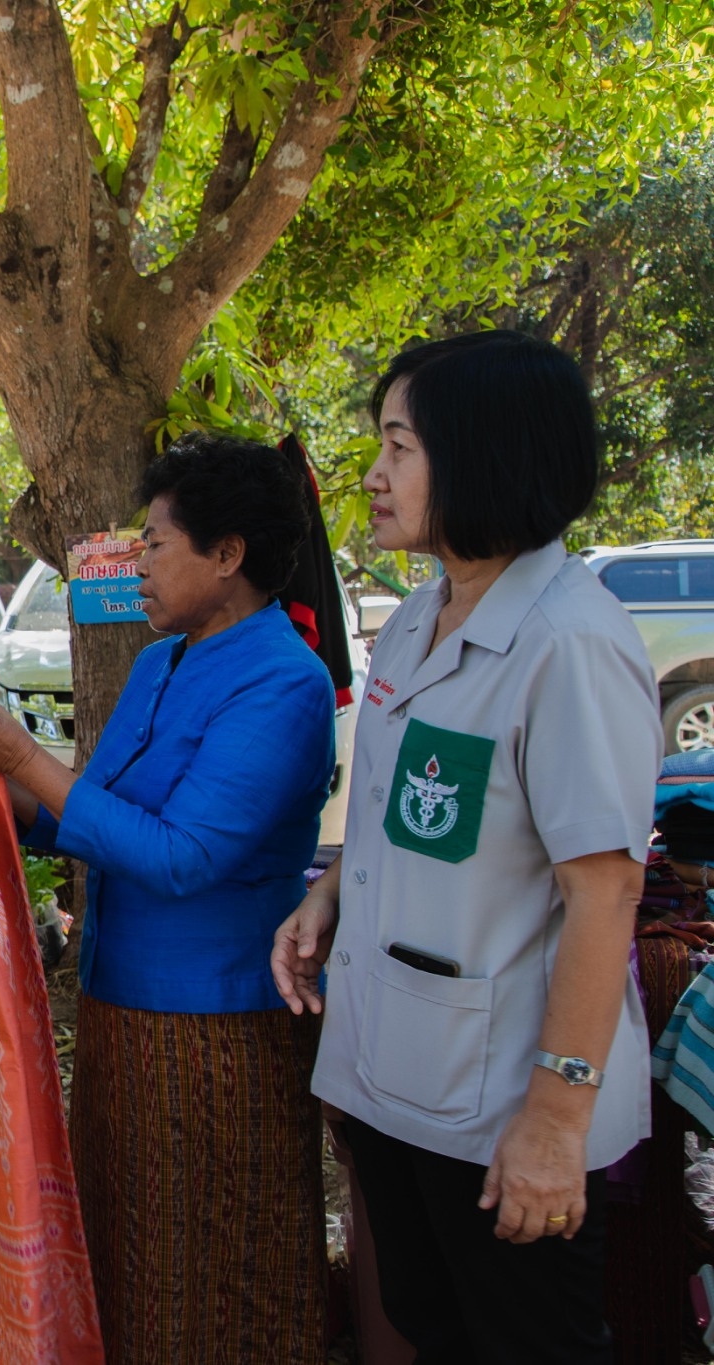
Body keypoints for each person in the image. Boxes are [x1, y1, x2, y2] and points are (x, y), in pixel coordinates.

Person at [272, 330, 660, 1364]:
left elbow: (604, 894)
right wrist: (331, 897)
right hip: (398, 1079)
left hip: (498, 1107)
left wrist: (551, 1122)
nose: (372, 474)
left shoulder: (566, 643)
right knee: (435, 1332)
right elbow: (409, 812)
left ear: (484, 456)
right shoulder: (415, 618)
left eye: (398, 447)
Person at [0, 433, 338, 1363]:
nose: (138, 563)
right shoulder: (163, 662)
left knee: (212, 1268)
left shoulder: (285, 681)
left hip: (217, 1028)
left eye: (157, 543)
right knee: (127, 1258)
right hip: (121, 1011)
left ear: (229, 555)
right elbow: (105, 812)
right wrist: (5, 797)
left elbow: (182, 854)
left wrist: (27, 763)